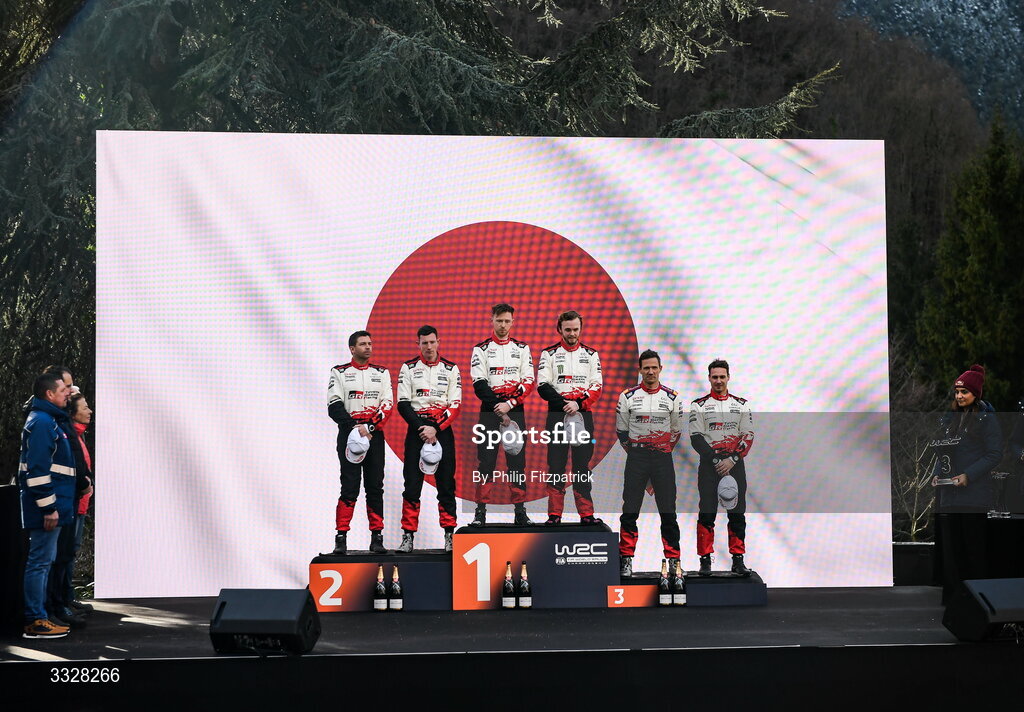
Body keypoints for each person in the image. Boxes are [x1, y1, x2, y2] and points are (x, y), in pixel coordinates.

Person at [930, 365, 1002, 602]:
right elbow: (943, 450)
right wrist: (937, 473)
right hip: (948, 495)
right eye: (957, 392)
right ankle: (954, 599)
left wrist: (968, 475)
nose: (959, 396)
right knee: (953, 551)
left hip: (973, 496)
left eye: (964, 392)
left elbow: (994, 454)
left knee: (973, 550)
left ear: (975, 394)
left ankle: (977, 601)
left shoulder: (986, 419)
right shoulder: (950, 419)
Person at [615, 350, 684, 577]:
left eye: (654, 367)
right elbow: (622, 431)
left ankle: (673, 560)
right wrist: (637, 452)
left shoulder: (672, 397)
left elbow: (676, 431)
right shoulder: (627, 396)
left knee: (668, 513)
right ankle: (626, 559)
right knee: (629, 511)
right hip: (637, 459)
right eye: (646, 368)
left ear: (661, 369)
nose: (651, 371)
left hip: (662, 459)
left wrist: (661, 451)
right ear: (640, 370)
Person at [19, 372, 77, 639]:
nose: (69, 392)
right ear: (49, 394)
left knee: (44, 562)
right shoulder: (43, 423)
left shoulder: (48, 420)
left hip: (53, 507)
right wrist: (48, 508)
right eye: (63, 389)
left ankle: (39, 617)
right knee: (40, 563)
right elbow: (38, 472)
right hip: (46, 510)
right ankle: (36, 621)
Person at [327, 330, 394, 555]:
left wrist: (370, 427)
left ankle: (377, 536)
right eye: (363, 344)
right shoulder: (339, 372)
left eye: (370, 343)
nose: (368, 347)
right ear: (352, 349)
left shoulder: (382, 373)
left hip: (374, 436)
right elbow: (334, 404)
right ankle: (341, 536)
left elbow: (387, 404)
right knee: (349, 487)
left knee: (375, 487)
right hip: (349, 435)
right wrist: (353, 427)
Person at [397, 325, 462, 552]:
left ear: (438, 341)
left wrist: (435, 428)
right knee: (412, 485)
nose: (429, 347)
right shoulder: (409, 367)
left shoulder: (451, 368)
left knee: (446, 484)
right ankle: (408, 536)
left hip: (442, 432)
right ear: (418, 344)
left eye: (432, 342)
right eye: (424, 343)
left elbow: (455, 404)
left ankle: (449, 535)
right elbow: (403, 404)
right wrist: (422, 428)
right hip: (417, 433)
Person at [470, 303, 535, 526]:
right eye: (499, 321)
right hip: (489, 412)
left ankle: (520, 510)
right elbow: (479, 383)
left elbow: (528, 380)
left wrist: (510, 403)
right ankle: (480, 511)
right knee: (485, 462)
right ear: (492, 320)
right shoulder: (481, 349)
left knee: (517, 461)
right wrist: (499, 406)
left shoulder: (522, 348)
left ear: (513, 322)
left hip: (515, 411)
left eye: (507, 321)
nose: (503, 325)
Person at [690, 358, 755, 576]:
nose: (718, 381)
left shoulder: (742, 404)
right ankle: (705, 560)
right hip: (710, 466)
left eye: (722, 376)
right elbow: (696, 438)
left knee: (737, 513)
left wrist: (733, 459)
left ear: (728, 377)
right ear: (709, 378)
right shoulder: (698, 405)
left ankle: (738, 560)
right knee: (707, 512)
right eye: (714, 377)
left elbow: (748, 435)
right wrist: (717, 460)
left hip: (735, 464)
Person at [537, 310, 603, 525]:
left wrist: (579, 403)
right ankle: (554, 515)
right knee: (555, 465)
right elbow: (542, 385)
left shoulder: (592, 355)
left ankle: (586, 514)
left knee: (582, 466)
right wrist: (565, 404)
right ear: (560, 329)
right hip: (557, 414)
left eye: (576, 329)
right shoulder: (549, 354)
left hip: (583, 414)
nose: (572, 333)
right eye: (568, 329)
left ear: (580, 329)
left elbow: (597, 386)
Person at [47, 392, 94, 623]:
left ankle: (66, 599)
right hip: (70, 504)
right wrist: (84, 484)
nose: (90, 411)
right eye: (85, 407)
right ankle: (59, 604)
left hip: (77, 504)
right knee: (61, 556)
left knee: (68, 554)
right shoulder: (66, 433)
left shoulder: (78, 435)